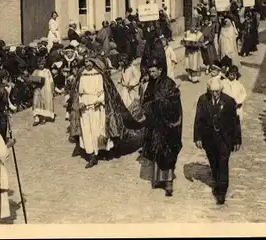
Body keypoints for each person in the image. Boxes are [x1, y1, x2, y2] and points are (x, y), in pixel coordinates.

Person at [68, 56, 143, 168]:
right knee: (87, 130)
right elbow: (77, 93)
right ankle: (91, 154)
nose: (87, 63)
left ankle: (102, 151)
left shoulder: (99, 75)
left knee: (98, 129)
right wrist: (80, 102)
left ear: (94, 62)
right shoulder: (81, 75)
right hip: (85, 107)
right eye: (86, 61)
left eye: (89, 61)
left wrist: (100, 100)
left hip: (98, 107)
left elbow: (105, 91)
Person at [194, 77, 241, 205]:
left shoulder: (229, 101)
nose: (215, 94)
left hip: (224, 138)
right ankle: (218, 182)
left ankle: (221, 192)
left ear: (221, 90)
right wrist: (197, 137)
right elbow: (198, 119)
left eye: (217, 91)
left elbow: (235, 122)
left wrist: (237, 140)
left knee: (223, 163)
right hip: (209, 138)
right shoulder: (203, 100)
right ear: (209, 90)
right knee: (214, 162)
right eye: (212, 91)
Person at [140, 58, 183, 197]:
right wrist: (148, 106)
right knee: (155, 150)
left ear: (160, 70)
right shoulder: (151, 84)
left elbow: (174, 100)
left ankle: (169, 182)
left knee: (167, 151)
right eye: (150, 71)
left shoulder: (169, 83)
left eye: (154, 71)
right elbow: (146, 100)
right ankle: (158, 179)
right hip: (155, 124)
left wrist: (161, 103)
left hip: (167, 124)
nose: (152, 74)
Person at [31, 58, 55, 126]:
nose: (41, 66)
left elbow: (51, 80)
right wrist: (38, 80)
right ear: (37, 64)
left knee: (44, 103)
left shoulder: (47, 71)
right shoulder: (35, 71)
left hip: (45, 89)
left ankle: (43, 118)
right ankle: (36, 119)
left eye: (42, 64)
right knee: (35, 103)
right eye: (40, 64)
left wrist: (52, 89)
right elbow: (31, 78)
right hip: (38, 89)